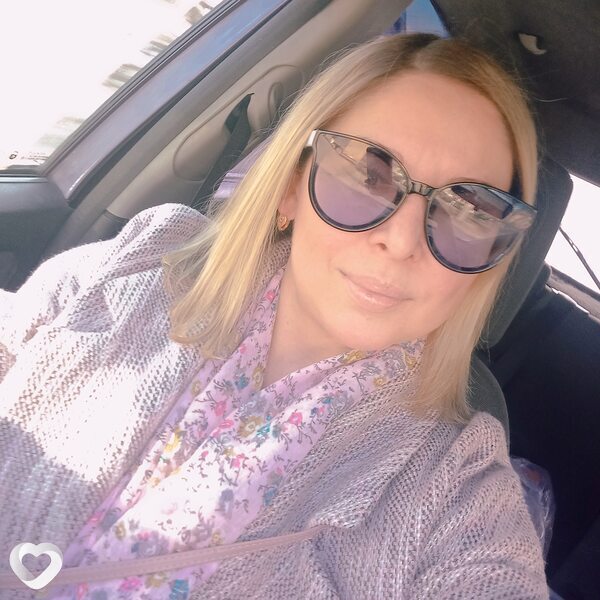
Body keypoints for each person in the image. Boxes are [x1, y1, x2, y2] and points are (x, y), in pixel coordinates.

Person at [0, 32, 548, 599]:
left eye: (470, 212)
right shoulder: (145, 256)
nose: (402, 241)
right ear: (290, 186)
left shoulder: (458, 486)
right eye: (368, 175)